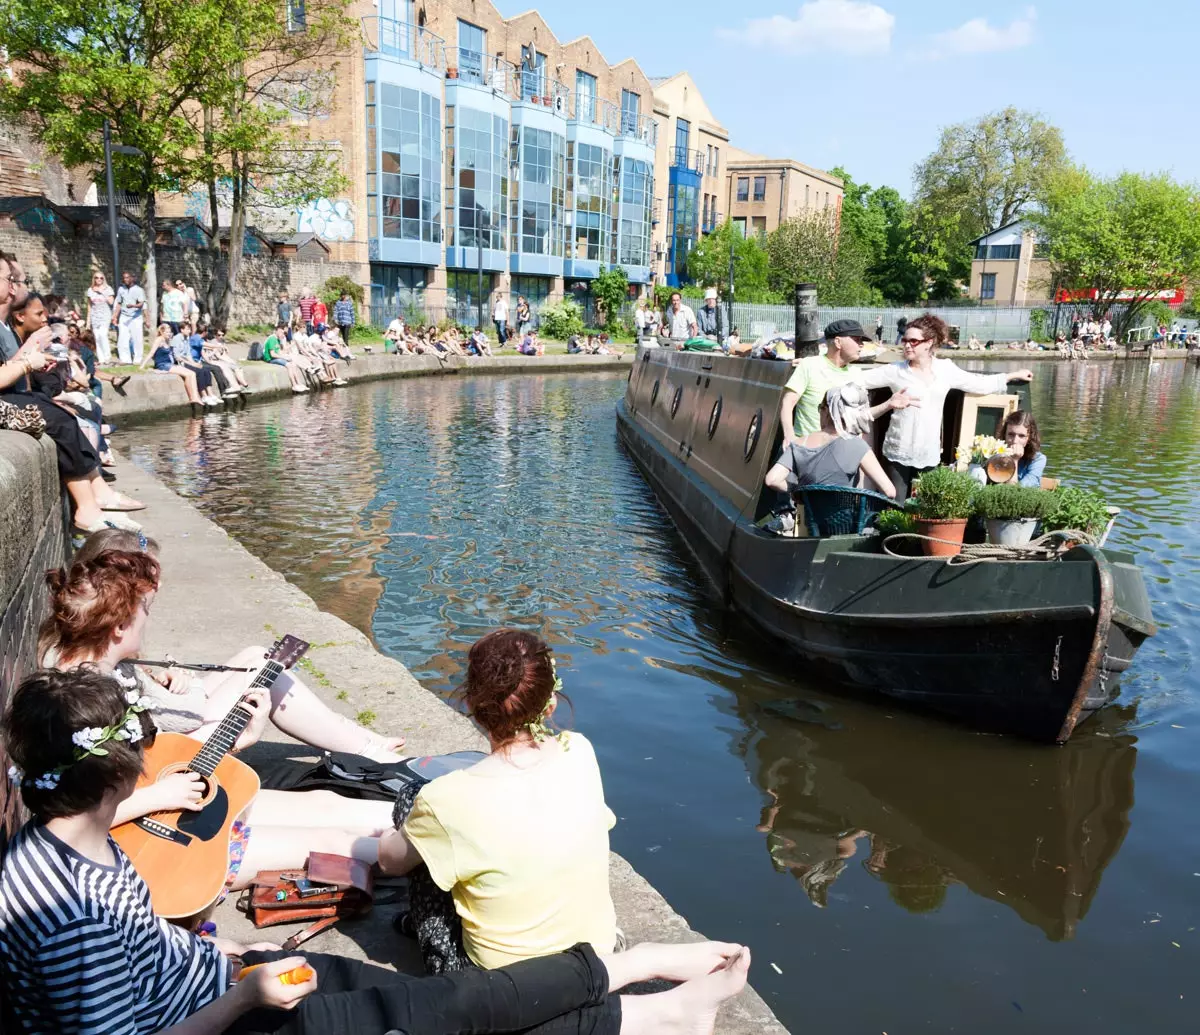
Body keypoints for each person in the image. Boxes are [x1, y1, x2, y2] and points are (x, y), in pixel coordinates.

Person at [0, 665, 751, 1035]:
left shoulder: (62, 835)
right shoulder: (73, 916)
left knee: (437, 1002)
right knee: (447, 1013)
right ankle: (646, 1006)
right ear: (117, 773)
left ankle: (636, 981)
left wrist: (220, 960)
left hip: (218, 979)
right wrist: (244, 995)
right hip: (228, 1017)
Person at [379, 631, 622, 971]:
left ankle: (431, 934)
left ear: (471, 705)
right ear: (550, 706)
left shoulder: (448, 799)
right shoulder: (578, 749)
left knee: (410, 800)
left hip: (504, 988)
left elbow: (389, 863)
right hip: (595, 958)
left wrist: (404, 832)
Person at [854, 313, 1033, 499]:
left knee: (925, 508)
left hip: (929, 454)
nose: (906, 344)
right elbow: (859, 380)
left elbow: (978, 383)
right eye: (905, 339)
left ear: (929, 342)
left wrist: (1012, 376)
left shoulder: (945, 369)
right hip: (898, 451)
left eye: (913, 341)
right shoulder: (895, 371)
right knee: (894, 505)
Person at [780, 319, 911, 449]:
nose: (861, 345)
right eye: (857, 340)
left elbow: (861, 416)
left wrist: (888, 404)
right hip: (809, 448)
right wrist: (789, 436)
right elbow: (787, 403)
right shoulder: (809, 366)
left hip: (841, 451)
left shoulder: (856, 374)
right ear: (838, 342)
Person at [765, 386, 895, 500]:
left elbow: (772, 480)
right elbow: (889, 492)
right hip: (846, 525)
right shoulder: (858, 446)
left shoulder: (798, 444)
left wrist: (798, 491)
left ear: (826, 411)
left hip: (809, 524)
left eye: (820, 408)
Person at [141, 323, 208, 405]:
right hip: (163, 364)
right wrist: (142, 366)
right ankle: (192, 397)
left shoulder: (168, 340)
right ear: (161, 332)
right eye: (166, 332)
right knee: (188, 375)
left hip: (169, 364)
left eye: (169, 332)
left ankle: (196, 397)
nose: (169, 334)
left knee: (192, 373)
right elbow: (151, 353)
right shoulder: (159, 340)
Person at [998, 410, 1047, 488]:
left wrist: (1014, 460)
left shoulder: (1038, 460)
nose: (1015, 441)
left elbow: (1014, 491)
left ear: (1029, 438)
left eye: (1021, 436)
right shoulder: (995, 453)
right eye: (1011, 434)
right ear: (1004, 435)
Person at [262, 324, 309, 392]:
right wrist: (284, 357)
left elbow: (279, 351)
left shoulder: (277, 339)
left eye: (284, 333)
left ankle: (299, 383)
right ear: (277, 331)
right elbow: (272, 354)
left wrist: (287, 353)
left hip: (276, 357)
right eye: (282, 332)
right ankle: (294, 385)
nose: (283, 335)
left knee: (293, 363)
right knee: (289, 365)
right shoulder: (272, 339)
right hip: (270, 359)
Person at [112, 270, 146, 364]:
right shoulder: (121, 289)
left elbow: (141, 304)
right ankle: (125, 359)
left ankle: (137, 359)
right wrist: (115, 316)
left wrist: (133, 306)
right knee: (123, 338)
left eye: (127, 277)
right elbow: (119, 303)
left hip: (136, 317)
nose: (125, 279)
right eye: (124, 278)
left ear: (132, 278)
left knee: (137, 338)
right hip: (124, 316)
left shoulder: (139, 290)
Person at [85, 271, 115, 364]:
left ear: (103, 279)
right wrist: (88, 322)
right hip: (95, 316)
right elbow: (89, 306)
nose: (99, 279)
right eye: (97, 278)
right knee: (97, 337)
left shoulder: (108, 288)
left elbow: (111, 302)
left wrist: (102, 292)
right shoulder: (90, 290)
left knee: (103, 335)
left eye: (101, 278)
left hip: (105, 315)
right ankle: (101, 359)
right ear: (94, 279)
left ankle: (107, 357)